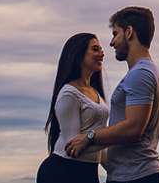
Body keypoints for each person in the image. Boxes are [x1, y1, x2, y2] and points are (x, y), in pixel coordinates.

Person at [66, 6, 159, 183]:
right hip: (130, 174)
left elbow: (133, 128)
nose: (111, 43)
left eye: (115, 34)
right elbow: (130, 129)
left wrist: (90, 136)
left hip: (136, 175)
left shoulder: (141, 73)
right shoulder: (141, 72)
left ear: (129, 32)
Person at [37, 33, 110, 183]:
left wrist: (121, 173)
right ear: (79, 56)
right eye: (95, 49)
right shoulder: (69, 94)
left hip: (88, 171)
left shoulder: (95, 93)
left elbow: (100, 150)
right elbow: (74, 147)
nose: (101, 54)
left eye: (101, 50)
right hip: (62, 171)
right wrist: (119, 136)